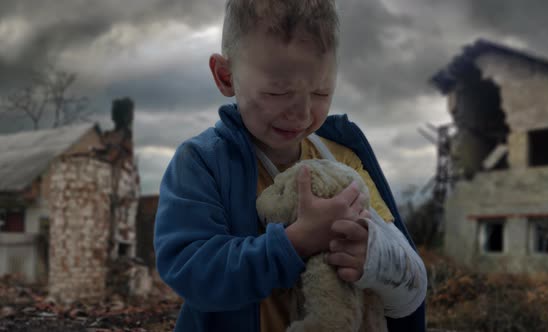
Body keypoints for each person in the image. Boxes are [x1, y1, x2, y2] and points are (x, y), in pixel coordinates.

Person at [153, 1, 427, 331]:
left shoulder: (342, 159)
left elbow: (412, 287)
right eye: (277, 92)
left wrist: (375, 258)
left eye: (321, 92)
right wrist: (294, 243)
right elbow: (191, 271)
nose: (301, 113)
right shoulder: (200, 163)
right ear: (226, 76)